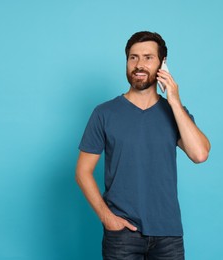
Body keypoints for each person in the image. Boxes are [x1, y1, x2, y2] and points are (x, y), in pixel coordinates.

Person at [75, 31, 210, 260]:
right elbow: (82, 171)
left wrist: (174, 100)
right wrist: (106, 217)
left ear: (162, 64)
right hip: (122, 236)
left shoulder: (175, 114)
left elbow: (199, 154)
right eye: (133, 57)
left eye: (148, 57)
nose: (139, 64)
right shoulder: (104, 113)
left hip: (168, 235)